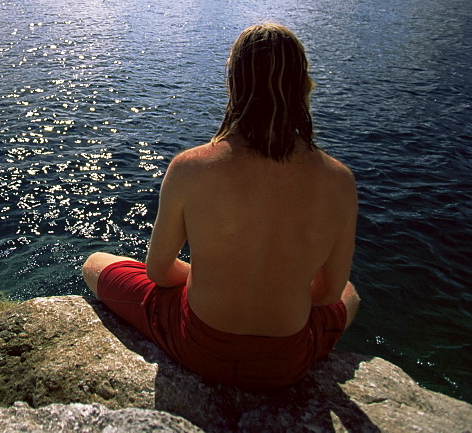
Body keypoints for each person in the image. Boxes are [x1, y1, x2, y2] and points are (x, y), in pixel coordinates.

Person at [82, 22, 360, 389]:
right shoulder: (339, 181)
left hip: (200, 347)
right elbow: (326, 295)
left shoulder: (190, 167)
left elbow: (158, 273)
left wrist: (211, 279)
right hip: (287, 360)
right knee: (350, 293)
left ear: (234, 84)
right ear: (303, 85)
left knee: (95, 263)